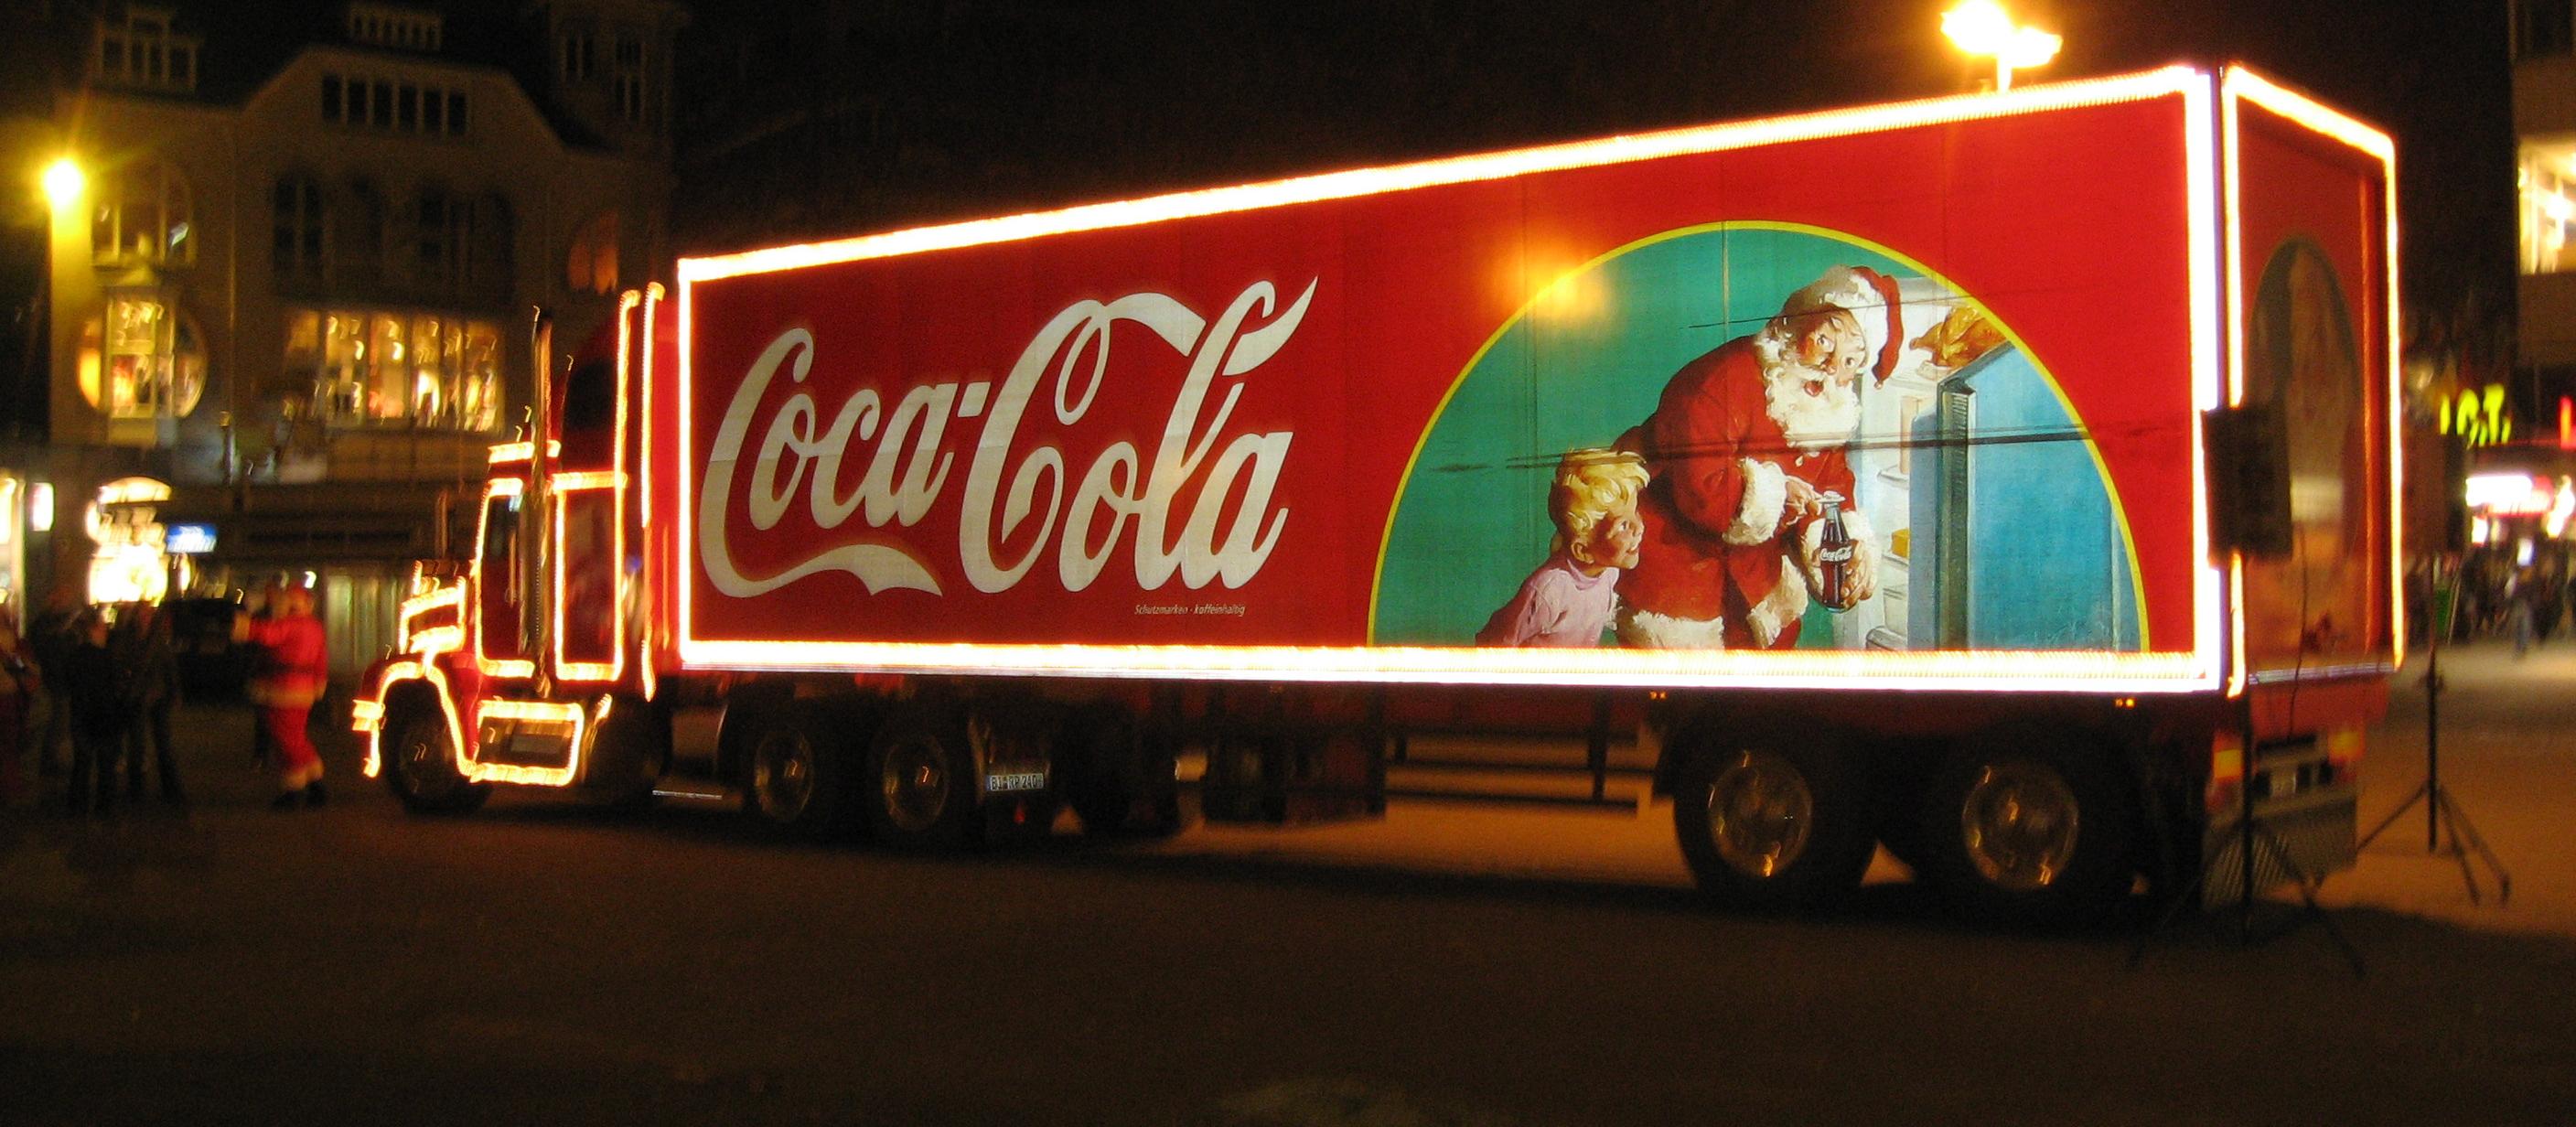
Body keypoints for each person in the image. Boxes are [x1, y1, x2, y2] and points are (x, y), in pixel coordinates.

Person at [1613, 266, 1891, 649]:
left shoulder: (1828, 403)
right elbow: (1700, 489)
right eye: (1826, 341)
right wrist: (1777, 493)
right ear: (1796, 321)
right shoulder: (1719, 378)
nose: (1831, 367)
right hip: (1677, 571)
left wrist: (1840, 540)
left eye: (1850, 361)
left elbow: (1831, 484)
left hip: (1758, 580)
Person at [1477, 449, 1648, 647]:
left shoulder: (1609, 573)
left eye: (1635, 511)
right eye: (1623, 525)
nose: (1640, 527)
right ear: (1583, 551)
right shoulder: (1549, 590)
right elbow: (1496, 643)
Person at [237, 584, 329, 810]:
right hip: (304, 691)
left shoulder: (289, 624)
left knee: (286, 738)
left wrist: (243, 624)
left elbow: (268, 634)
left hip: (282, 690)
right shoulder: (315, 627)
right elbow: (321, 660)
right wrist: (319, 684)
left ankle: (294, 789)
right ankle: (315, 785)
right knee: (296, 736)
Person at [111, 599, 184, 806]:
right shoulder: (127, 640)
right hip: (136, 697)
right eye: (141, 615)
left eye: (148, 615)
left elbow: (170, 668)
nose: (145, 619)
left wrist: (174, 693)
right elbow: (119, 664)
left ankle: (171, 790)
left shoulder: (158, 641)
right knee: (137, 745)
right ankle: (136, 790)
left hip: (157, 697)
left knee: (163, 744)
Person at [61, 607, 123, 815]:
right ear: (95, 629)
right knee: (105, 765)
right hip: (104, 717)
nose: (106, 631)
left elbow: (69, 683)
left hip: (83, 716)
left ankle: (77, 806)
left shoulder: (75, 656)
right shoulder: (106, 657)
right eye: (103, 628)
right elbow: (115, 686)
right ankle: (104, 806)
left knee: (82, 763)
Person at [27, 585, 80, 778]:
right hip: (54, 680)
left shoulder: (52, 624)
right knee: (56, 723)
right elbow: (46, 651)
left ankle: (50, 761)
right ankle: (48, 763)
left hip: (59, 680)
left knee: (58, 724)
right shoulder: (46, 626)